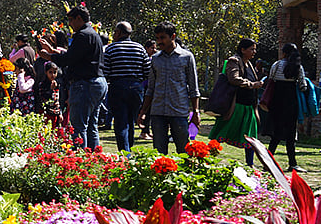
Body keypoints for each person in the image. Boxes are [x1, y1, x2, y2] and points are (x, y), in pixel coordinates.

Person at [39, 6, 106, 149]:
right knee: (91, 126)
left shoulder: (82, 35)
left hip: (85, 83)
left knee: (78, 127)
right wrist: (53, 51)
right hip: (98, 82)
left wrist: (49, 56)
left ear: (79, 19)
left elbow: (69, 59)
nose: (69, 24)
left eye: (71, 20)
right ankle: (94, 159)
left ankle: (78, 161)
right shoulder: (92, 34)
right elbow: (77, 56)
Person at [136, 22, 200, 155]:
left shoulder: (187, 57)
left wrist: (195, 112)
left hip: (179, 112)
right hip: (158, 112)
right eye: (157, 38)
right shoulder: (155, 59)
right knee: (159, 153)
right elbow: (151, 88)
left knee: (183, 151)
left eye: (163, 38)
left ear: (173, 36)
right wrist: (143, 112)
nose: (159, 42)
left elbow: (194, 88)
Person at [209, 38, 263, 166]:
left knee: (251, 137)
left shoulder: (249, 63)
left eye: (255, 49)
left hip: (249, 107)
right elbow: (233, 79)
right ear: (243, 49)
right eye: (251, 49)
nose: (254, 52)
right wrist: (252, 84)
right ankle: (207, 158)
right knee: (221, 133)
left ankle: (250, 165)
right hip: (235, 106)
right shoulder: (234, 61)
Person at [100, 21, 149, 151]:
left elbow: (106, 71)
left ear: (120, 32)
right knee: (131, 121)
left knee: (120, 122)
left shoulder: (111, 48)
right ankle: (129, 148)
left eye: (115, 32)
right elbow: (147, 71)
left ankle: (124, 153)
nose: (114, 35)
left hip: (118, 86)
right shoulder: (139, 48)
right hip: (136, 87)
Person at [265, 43, 306, 172]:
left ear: (283, 53)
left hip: (277, 101)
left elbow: (270, 79)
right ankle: (292, 163)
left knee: (276, 133)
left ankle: (268, 162)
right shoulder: (298, 67)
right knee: (290, 134)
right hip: (291, 101)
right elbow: (303, 85)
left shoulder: (276, 65)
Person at [42, 62, 63, 128]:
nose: (53, 75)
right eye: (50, 72)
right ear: (46, 72)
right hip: (46, 113)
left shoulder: (57, 84)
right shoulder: (43, 85)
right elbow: (44, 98)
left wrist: (60, 113)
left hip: (55, 113)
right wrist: (51, 89)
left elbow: (58, 100)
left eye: (55, 72)